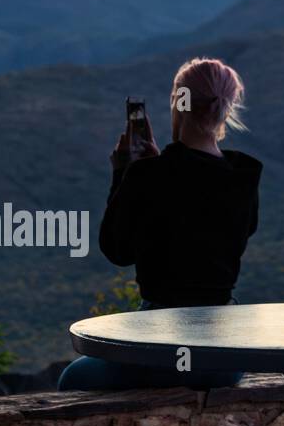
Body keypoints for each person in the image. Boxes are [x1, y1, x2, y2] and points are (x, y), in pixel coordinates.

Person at [58, 56, 263, 390]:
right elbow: (223, 228)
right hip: (224, 358)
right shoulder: (244, 177)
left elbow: (117, 250)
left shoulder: (147, 176)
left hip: (164, 344)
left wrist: (123, 175)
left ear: (178, 104)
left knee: (73, 379)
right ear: (227, 109)